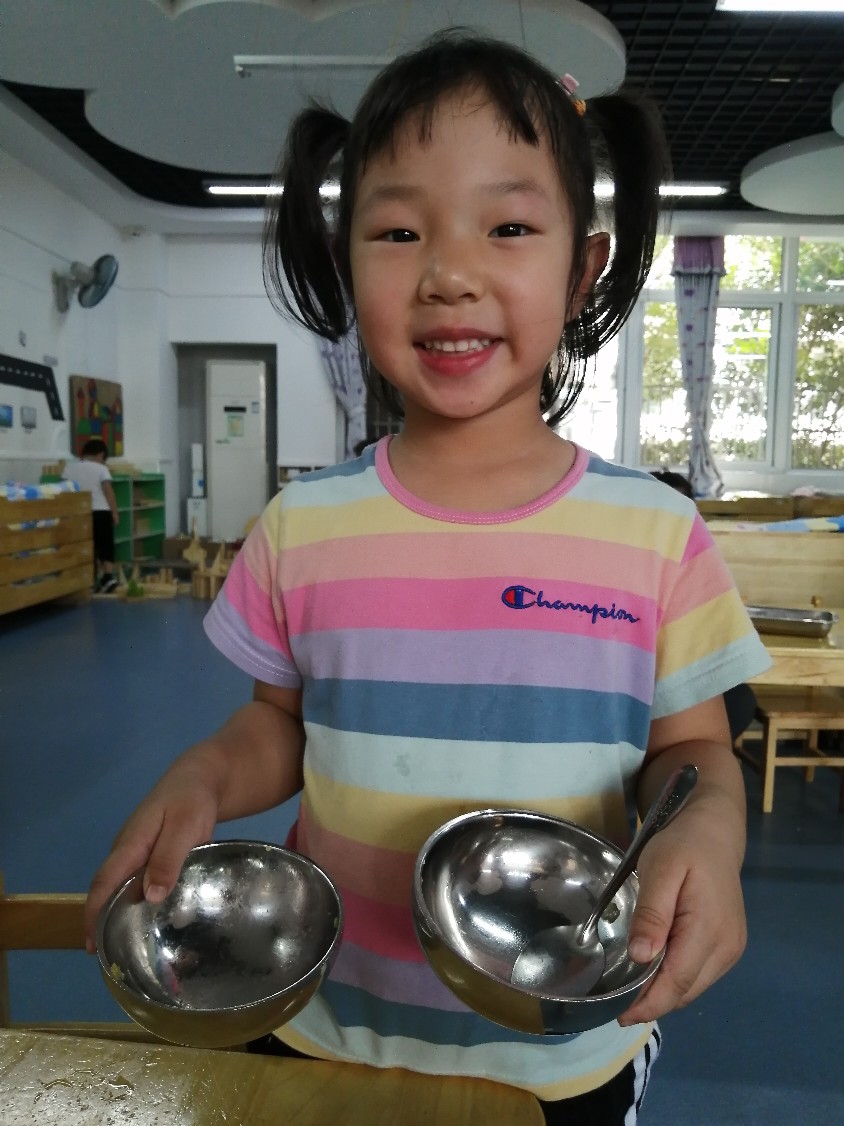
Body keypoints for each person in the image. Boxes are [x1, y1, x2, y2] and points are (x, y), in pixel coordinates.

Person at [85, 32, 772, 1124]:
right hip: (321, 1025)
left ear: (582, 268)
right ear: (346, 262)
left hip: (560, 1054)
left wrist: (710, 833)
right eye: (400, 231)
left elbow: (693, 753)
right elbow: (280, 725)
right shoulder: (304, 523)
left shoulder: (656, 531)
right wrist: (207, 776)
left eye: (509, 227)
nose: (449, 274)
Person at [650, 470, 759, 743]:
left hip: (681, 673)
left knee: (738, 700)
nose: (672, 519)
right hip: (643, 682)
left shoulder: (700, 555)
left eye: (682, 508)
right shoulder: (631, 555)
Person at [66, 437, 120, 593]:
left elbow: (65, 491)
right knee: (105, 545)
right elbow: (108, 492)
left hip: (79, 514)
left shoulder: (69, 468)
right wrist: (114, 512)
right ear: (100, 455)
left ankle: (88, 581)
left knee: (86, 547)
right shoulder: (101, 469)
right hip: (101, 511)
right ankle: (108, 578)